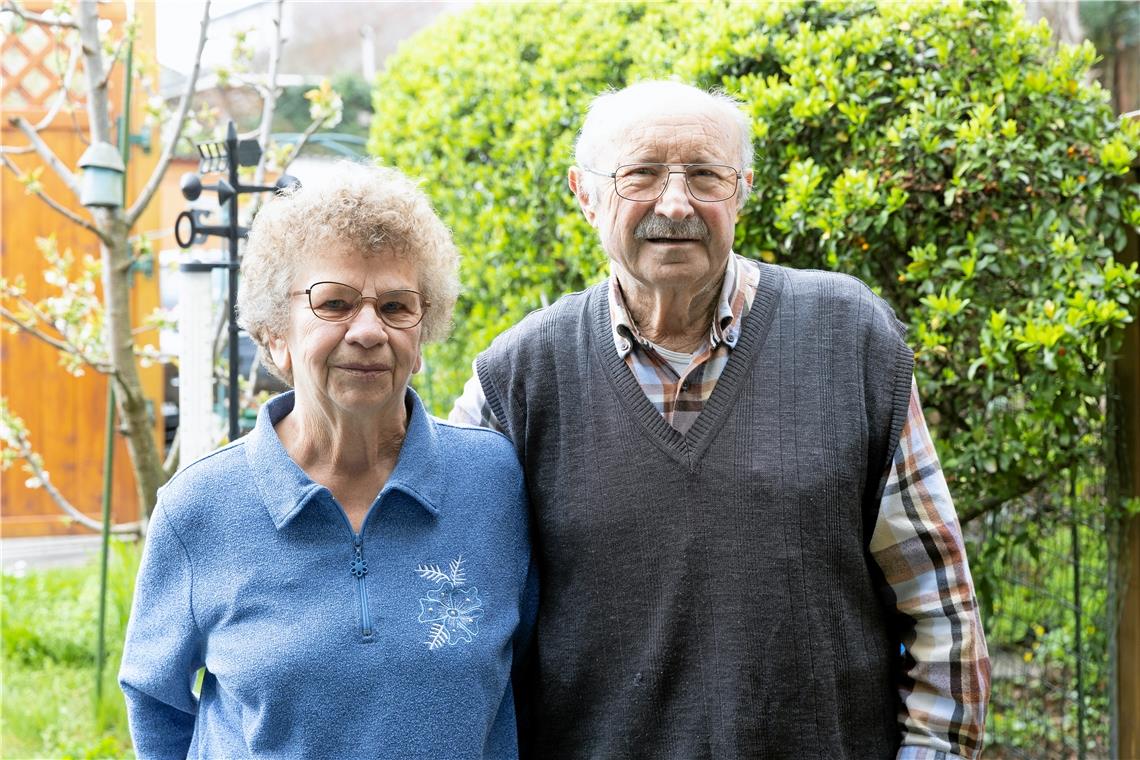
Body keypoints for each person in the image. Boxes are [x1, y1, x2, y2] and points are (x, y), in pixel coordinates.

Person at [450, 80, 990, 759]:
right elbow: (450, 607)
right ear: (584, 193)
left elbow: (939, 608)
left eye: (705, 175)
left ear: (741, 191)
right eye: (640, 174)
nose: (675, 203)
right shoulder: (517, 378)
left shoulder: (849, 339)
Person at [120, 163, 536, 759]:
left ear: (422, 337)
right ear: (273, 335)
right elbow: (156, 701)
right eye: (334, 303)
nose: (368, 330)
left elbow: (527, 672)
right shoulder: (200, 509)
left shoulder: (493, 483)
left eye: (396, 306)